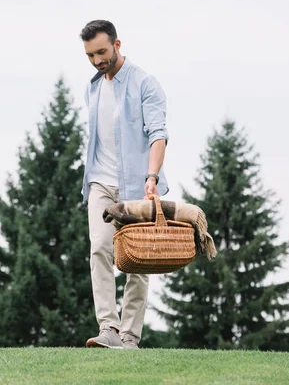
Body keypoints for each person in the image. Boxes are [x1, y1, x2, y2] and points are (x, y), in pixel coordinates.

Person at [80, 20, 169, 349]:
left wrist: (152, 177)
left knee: (137, 259)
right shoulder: (92, 86)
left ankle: (130, 337)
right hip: (99, 183)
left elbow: (158, 134)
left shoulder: (145, 83)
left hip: (137, 185)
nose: (96, 60)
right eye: (90, 55)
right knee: (99, 249)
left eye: (101, 52)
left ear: (117, 45)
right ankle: (109, 328)